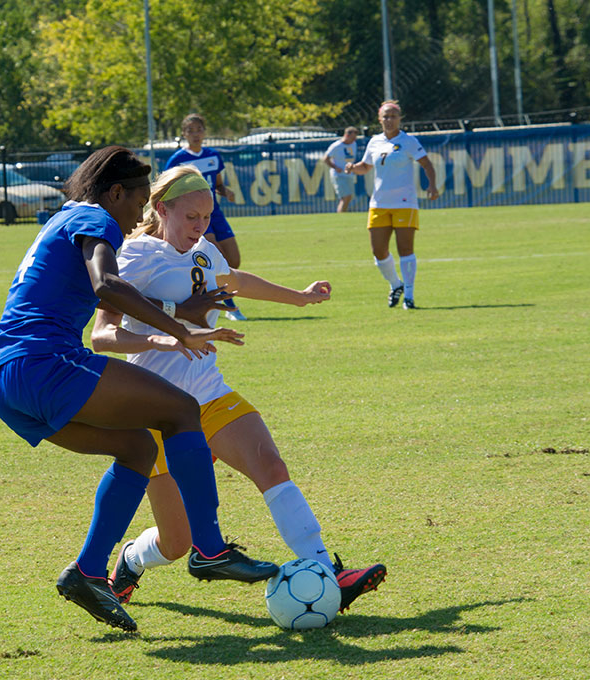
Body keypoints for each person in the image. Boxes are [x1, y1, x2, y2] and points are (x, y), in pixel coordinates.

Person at [0, 146, 279, 634]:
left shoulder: (65, 218)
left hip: (7, 381)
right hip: (45, 362)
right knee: (183, 410)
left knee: (138, 446)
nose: (139, 215)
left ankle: (87, 570)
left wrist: (174, 319)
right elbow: (107, 285)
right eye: (139, 201)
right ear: (115, 193)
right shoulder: (97, 218)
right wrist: (178, 328)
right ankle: (209, 549)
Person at [91, 165, 387, 613]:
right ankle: (131, 560)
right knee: (178, 542)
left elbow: (238, 282)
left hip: (210, 395)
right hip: (157, 411)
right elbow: (101, 337)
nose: (200, 227)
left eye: (207, 217)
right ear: (160, 207)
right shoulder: (134, 257)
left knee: (270, 465)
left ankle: (326, 570)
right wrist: (165, 335)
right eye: (192, 217)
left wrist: (300, 296)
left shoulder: (205, 251)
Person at [345, 101, 438, 310]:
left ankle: (409, 297)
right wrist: (353, 168)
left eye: (393, 116)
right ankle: (396, 285)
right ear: (379, 119)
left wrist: (432, 185)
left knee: (405, 249)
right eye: (385, 116)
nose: (389, 120)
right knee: (378, 251)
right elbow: (366, 166)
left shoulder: (409, 141)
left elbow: (427, 164)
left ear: (400, 119)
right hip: (379, 203)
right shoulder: (374, 142)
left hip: (405, 203)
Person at [165, 113, 247, 321]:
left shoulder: (212, 155)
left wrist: (225, 190)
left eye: (198, 129)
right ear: (183, 134)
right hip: (196, 216)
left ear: (204, 132)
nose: (195, 134)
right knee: (213, 258)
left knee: (233, 261)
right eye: (190, 130)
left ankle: (214, 299)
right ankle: (229, 306)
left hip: (215, 213)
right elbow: (168, 186)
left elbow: (217, 183)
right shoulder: (178, 160)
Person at [323, 126, 360, 213]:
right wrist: (335, 167)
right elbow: (325, 158)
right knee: (345, 197)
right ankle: (341, 215)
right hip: (338, 175)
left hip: (349, 174)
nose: (354, 140)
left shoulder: (354, 144)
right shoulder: (336, 146)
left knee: (349, 197)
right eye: (352, 137)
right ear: (346, 135)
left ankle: (344, 213)